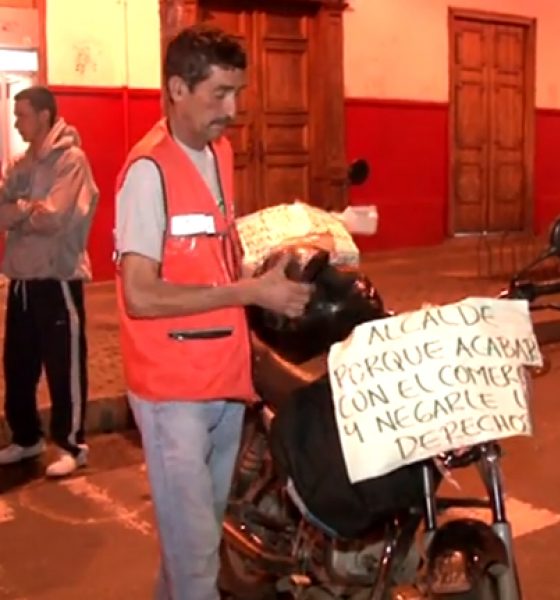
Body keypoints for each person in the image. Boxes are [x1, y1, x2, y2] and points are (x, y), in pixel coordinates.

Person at [114, 25, 313, 600]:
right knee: (198, 558)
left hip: (223, 382)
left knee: (192, 550)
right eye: (220, 94)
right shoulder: (148, 173)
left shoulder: (217, 153)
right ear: (178, 88)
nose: (233, 110)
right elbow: (140, 295)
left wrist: (267, 277)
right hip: (173, 391)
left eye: (238, 93)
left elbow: (213, 258)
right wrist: (251, 294)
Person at [0, 86, 99, 478]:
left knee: (64, 365)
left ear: (43, 115)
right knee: (18, 365)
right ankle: (26, 438)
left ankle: (73, 444)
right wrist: (26, 211)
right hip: (22, 278)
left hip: (58, 277)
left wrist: (19, 211)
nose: (16, 122)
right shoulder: (23, 163)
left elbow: (55, 217)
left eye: (22, 114)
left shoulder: (71, 161)